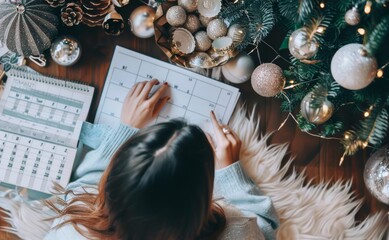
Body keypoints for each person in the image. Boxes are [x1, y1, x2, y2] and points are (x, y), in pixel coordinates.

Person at [44, 79, 279, 240]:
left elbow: (79, 188)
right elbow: (264, 228)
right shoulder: (238, 231)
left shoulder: (72, 229)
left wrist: (125, 129)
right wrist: (230, 173)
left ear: (111, 182)